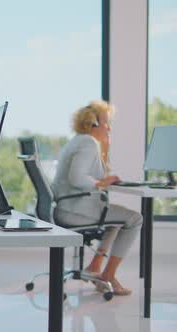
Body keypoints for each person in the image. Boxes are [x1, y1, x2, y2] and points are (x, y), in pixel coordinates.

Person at [51, 100, 143, 296]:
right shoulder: (87, 143)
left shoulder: (80, 140)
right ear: (92, 124)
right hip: (75, 210)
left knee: (116, 220)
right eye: (105, 123)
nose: (109, 128)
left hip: (68, 208)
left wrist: (105, 151)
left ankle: (95, 267)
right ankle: (108, 275)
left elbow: (88, 173)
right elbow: (77, 178)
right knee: (135, 218)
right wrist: (101, 183)